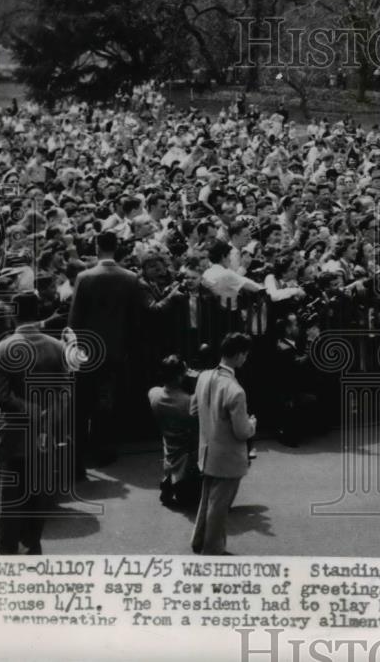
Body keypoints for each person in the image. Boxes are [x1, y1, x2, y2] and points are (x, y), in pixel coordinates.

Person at [0, 292, 70, 554]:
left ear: (13, 314)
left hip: (12, 434)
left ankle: (8, 549)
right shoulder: (57, 347)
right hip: (46, 435)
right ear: (38, 313)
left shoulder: (2, 347)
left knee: (10, 497)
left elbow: (1, 396)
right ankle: (31, 543)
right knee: (39, 494)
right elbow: (65, 392)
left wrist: (31, 410)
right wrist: (50, 417)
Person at [68, 230, 143, 473]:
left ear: (98, 248)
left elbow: (74, 318)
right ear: (116, 246)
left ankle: (78, 455)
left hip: (88, 349)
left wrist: (74, 348)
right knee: (107, 401)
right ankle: (104, 449)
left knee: (82, 403)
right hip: (116, 349)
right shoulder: (130, 277)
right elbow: (135, 321)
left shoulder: (84, 277)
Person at [190, 332, 257, 555]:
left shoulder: (203, 377)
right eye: (245, 355)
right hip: (228, 457)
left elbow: (193, 409)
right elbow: (241, 432)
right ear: (238, 356)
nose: (245, 359)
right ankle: (212, 549)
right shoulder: (236, 390)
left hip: (206, 450)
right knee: (219, 507)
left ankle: (199, 540)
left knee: (206, 499)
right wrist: (252, 424)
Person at [147, 355, 200, 508]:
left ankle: (170, 481)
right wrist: (196, 380)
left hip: (169, 445)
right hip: (188, 451)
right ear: (179, 377)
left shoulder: (154, 394)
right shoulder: (189, 402)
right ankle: (183, 487)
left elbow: (159, 388)